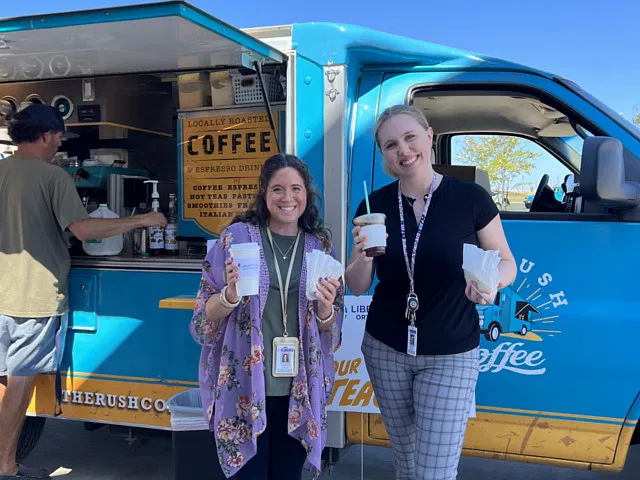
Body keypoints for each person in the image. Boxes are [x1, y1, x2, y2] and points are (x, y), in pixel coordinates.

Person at [345, 104, 517, 480]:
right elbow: (357, 287)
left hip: (450, 352)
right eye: (391, 145)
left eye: (410, 138)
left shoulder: (470, 198)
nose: (403, 150)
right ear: (383, 154)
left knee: (433, 472)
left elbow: (507, 262)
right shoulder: (374, 205)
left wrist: (491, 283)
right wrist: (360, 257)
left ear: (429, 136)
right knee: (407, 462)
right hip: (386, 348)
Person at [0, 104, 166, 480]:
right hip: (33, 296)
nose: (60, 144)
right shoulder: (53, 176)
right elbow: (85, 230)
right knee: (20, 383)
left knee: (4, 381)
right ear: (45, 135)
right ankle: (6, 467)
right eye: (59, 136)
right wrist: (143, 219)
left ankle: (3, 462)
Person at [190, 153, 344, 480]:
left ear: (307, 194)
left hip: (299, 391)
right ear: (263, 192)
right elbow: (204, 316)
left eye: (296, 189)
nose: (287, 198)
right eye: (277, 189)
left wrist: (326, 309)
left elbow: (331, 327)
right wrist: (230, 296)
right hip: (245, 386)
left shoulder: (319, 247)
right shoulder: (236, 238)